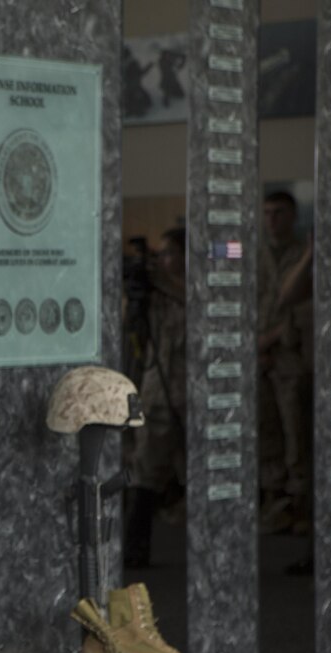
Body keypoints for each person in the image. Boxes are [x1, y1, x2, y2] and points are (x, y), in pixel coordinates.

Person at [125, 228, 186, 568]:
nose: (164, 261)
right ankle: (136, 546)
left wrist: (165, 281)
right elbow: (136, 335)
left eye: (170, 254)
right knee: (145, 469)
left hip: (194, 394)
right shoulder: (154, 295)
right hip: (158, 393)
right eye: (160, 255)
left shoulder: (199, 286)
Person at [257, 191, 313, 535]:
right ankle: (274, 499)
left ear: (292, 216)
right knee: (265, 429)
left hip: (291, 355)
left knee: (295, 430)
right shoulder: (256, 254)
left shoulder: (301, 255)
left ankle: (300, 502)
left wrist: (272, 338)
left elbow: (300, 305)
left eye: (278, 213)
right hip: (258, 355)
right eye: (266, 214)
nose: (271, 220)